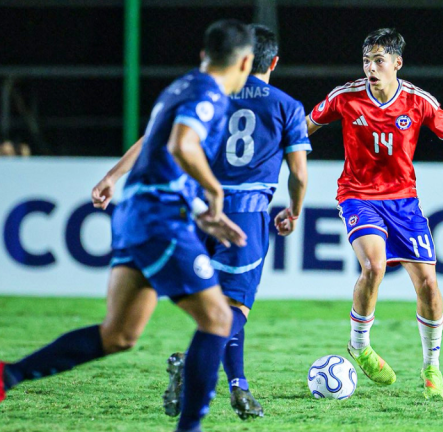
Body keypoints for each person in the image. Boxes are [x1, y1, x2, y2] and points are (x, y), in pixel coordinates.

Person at [1, 19, 255, 432]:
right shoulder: (209, 94)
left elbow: (155, 140)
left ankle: (7, 376)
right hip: (159, 218)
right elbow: (181, 144)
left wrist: (113, 176)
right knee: (217, 320)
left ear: (203, 55)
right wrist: (214, 193)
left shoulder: (182, 86)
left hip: (134, 214)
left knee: (118, 334)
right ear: (245, 62)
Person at [90, 24, 310, 421]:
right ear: (273, 62)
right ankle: (194, 366)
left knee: (218, 310)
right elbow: (299, 173)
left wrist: (114, 175)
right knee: (234, 308)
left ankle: (238, 386)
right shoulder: (287, 105)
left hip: (196, 211)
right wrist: (294, 210)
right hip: (244, 214)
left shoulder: (213, 93)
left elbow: (155, 140)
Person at [306, 28, 443, 399]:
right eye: (366, 61)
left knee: (429, 284)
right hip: (358, 196)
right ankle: (359, 346)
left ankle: (431, 367)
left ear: (397, 63)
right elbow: (303, 129)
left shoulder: (418, 101)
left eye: (379, 61)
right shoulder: (345, 98)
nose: (371, 68)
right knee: (374, 265)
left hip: (404, 202)